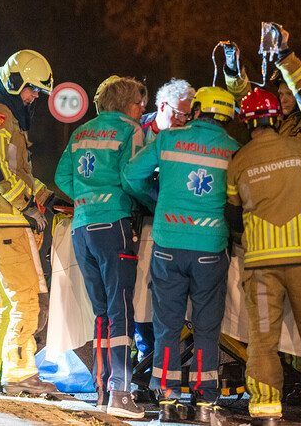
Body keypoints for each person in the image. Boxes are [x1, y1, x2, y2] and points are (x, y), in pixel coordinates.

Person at [225, 87, 301, 426]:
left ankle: (266, 411)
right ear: (276, 117)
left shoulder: (239, 161)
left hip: (261, 264)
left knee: (263, 340)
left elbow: (233, 214)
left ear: (247, 122)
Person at [122, 86, 239, 423]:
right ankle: (205, 403)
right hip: (210, 248)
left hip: (169, 244)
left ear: (198, 109)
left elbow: (131, 174)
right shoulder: (233, 149)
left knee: (168, 326)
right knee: (206, 327)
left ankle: (168, 399)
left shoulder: (168, 139)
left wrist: (158, 200)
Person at [54, 75, 147, 418]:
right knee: (121, 308)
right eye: (140, 103)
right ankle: (121, 394)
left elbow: (62, 177)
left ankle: (101, 387)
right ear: (127, 105)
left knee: (102, 312)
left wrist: (85, 198)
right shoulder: (130, 130)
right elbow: (132, 176)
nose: (142, 109)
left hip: (82, 227)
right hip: (114, 224)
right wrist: (148, 202)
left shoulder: (81, 132)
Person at [0, 49, 56, 395]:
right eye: (32, 90)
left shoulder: (0, 113)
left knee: (6, 302)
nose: (34, 97)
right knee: (25, 299)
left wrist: (46, 197)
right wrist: (27, 206)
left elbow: (16, 170)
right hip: (4, 220)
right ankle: (20, 374)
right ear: (15, 81)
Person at [134, 78, 196, 366]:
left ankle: (161, 357)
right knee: (139, 294)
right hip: (141, 219)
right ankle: (145, 353)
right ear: (162, 106)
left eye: (188, 114)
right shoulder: (138, 130)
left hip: (171, 226)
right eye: (179, 113)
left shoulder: (188, 136)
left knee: (163, 296)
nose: (183, 120)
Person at [222, 28, 301, 160]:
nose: (283, 100)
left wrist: (284, 54)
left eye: (289, 94)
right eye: (281, 94)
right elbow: (247, 102)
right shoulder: (275, 122)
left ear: (299, 95)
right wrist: (233, 71)